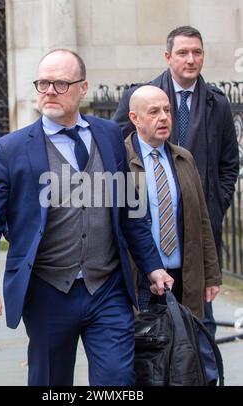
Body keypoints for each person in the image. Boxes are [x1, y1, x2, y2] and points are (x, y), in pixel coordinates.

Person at [0, 49, 173, 386]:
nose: (49, 90)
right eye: (44, 83)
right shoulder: (10, 149)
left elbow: (130, 210)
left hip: (107, 288)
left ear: (83, 87)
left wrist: (152, 265)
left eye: (61, 84)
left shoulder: (109, 135)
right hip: (47, 290)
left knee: (118, 381)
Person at [113, 26, 239, 383]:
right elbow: (115, 153)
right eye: (183, 52)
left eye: (197, 52)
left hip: (195, 242)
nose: (191, 59)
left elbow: (230, 164)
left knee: (198, 336)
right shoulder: (138, 98)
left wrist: (213, 207)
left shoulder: (216, 101)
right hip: (145, 248)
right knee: (150, 341)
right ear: (168, 57)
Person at [126, 85, 221, 320]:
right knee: (146, 352)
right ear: (134, 118)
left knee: (185, 350)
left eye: (167, 111)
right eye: (154, 112)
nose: (163, 118)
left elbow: (201, 220)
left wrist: (211, 275)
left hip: (183, 276)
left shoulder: (183, 158)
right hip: (141, 278)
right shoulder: (121, 159)